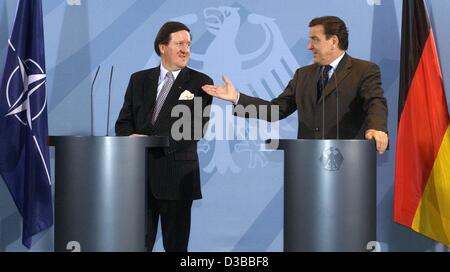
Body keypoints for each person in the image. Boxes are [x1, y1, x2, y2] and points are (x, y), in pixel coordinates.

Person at [202, 16, 388, 154]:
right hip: (307, 161)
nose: (309, 46)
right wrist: (236, 98)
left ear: (333, 41)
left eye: (315, 39)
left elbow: (375, 101)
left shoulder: (364, 70)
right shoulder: (303, 75)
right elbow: (276, 110)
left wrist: (377, 128)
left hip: (349, 161)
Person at [115, 21, 213, 252]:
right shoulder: (138, 80)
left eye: (188, 44)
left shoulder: (201, 82)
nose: (186, 49)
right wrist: (129, 138)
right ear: (162, 47)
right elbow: (123, 123)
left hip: (176, 178)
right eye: (179, 43)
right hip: (138, 178)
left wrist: (148, 141)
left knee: (176, 248)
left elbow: (195, 128)